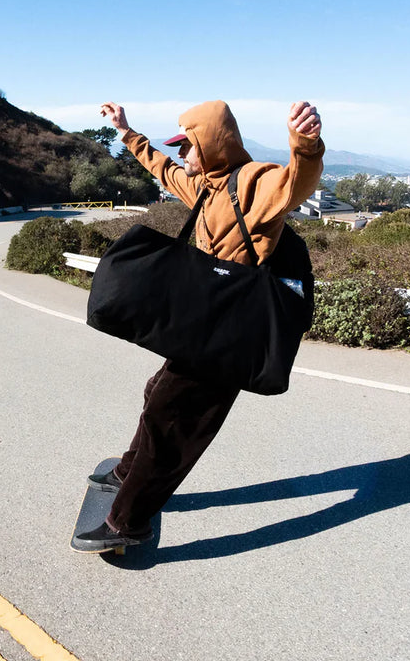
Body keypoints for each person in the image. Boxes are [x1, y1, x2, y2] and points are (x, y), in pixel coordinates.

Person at [74, 99, 324, 551]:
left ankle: (126, 522)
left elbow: (295, 184)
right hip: (206, 323)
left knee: (172, 424)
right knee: (158, 395)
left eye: (187, 147)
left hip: (230, 334)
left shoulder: (252, 181)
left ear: (210, 145)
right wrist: (127, 132)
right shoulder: (207, 185)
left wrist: (304, 145)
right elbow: (163, 169)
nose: (182, 157)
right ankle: (128, 472)